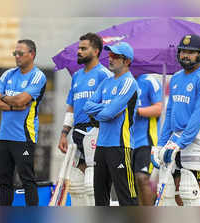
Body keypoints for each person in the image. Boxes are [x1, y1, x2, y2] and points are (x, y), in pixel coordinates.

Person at [152, 34, 200, 206]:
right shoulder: (176, 78)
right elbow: (170, 114)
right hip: (176, 135)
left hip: (197, 135)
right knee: (175, 187)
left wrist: (181, 143)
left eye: (191, 52)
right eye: (183, 52)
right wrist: (161, 143)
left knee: (192, 186)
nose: (185, 55)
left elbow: (198, 115)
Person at [0, 39, 47, 206]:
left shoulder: (37, 76)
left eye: (21, 53)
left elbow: (22, 99)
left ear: (32, 54)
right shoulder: (8, 74)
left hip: (23, 137)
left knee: (27, 180)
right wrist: (12, 105)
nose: (17, 56)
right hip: (4, 136)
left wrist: (4, 97)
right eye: (15, 53)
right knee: (4, 181)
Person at [58, 32, 113, 206]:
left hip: (95, 131)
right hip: (77, 132)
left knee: (92, 184)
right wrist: (64, 133)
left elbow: (109, 107)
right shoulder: (77, 76)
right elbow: (71, 106)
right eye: (78, 48)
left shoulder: (104, 75)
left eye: (83, 48)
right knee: (75, 185)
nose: (79, 51)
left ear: (96, 51)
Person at [84, 41, 139, 206]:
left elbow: (108, 114)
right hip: (101, 145)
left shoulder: (129, 82)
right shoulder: (106, 82)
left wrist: (104, 109)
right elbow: (87, 106)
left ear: (127, 61)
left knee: (126, 196)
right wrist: (108, 106)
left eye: (115, 56)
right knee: (99, 197)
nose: (110, 59)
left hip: (120, 145)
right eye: (109, 55)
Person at [132, 74, 162, 205]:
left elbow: (159, 108)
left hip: (145, 140)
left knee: (142, 178)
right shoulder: (121, 80)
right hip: (125, 141)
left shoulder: (149, 80)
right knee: (129, 184)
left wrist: (136, 111)